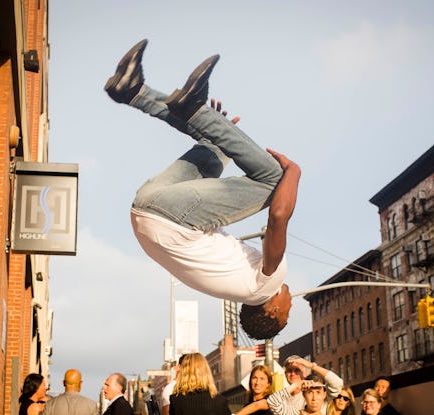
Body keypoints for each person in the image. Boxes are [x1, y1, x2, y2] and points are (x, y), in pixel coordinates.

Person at [105, 39, 301, 341]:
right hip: (146, 213)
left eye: (288, 313)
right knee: (215, 146)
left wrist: (295, 172)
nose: (291, 304)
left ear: (273, 312)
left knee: (274, 180)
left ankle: (193, 110)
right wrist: (219, 130)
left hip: (172, 220)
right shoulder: (234, 280)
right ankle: (132, 91)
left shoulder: (267, 284)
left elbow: (278, 216)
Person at [234, 356, 343, 415]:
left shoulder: (316, 393)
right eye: (289, 370)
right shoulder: (282, 397)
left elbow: (337, 384)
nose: (293, 374)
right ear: (285, 374)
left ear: (305, 372)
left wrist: (311, 365)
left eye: (297, 370)